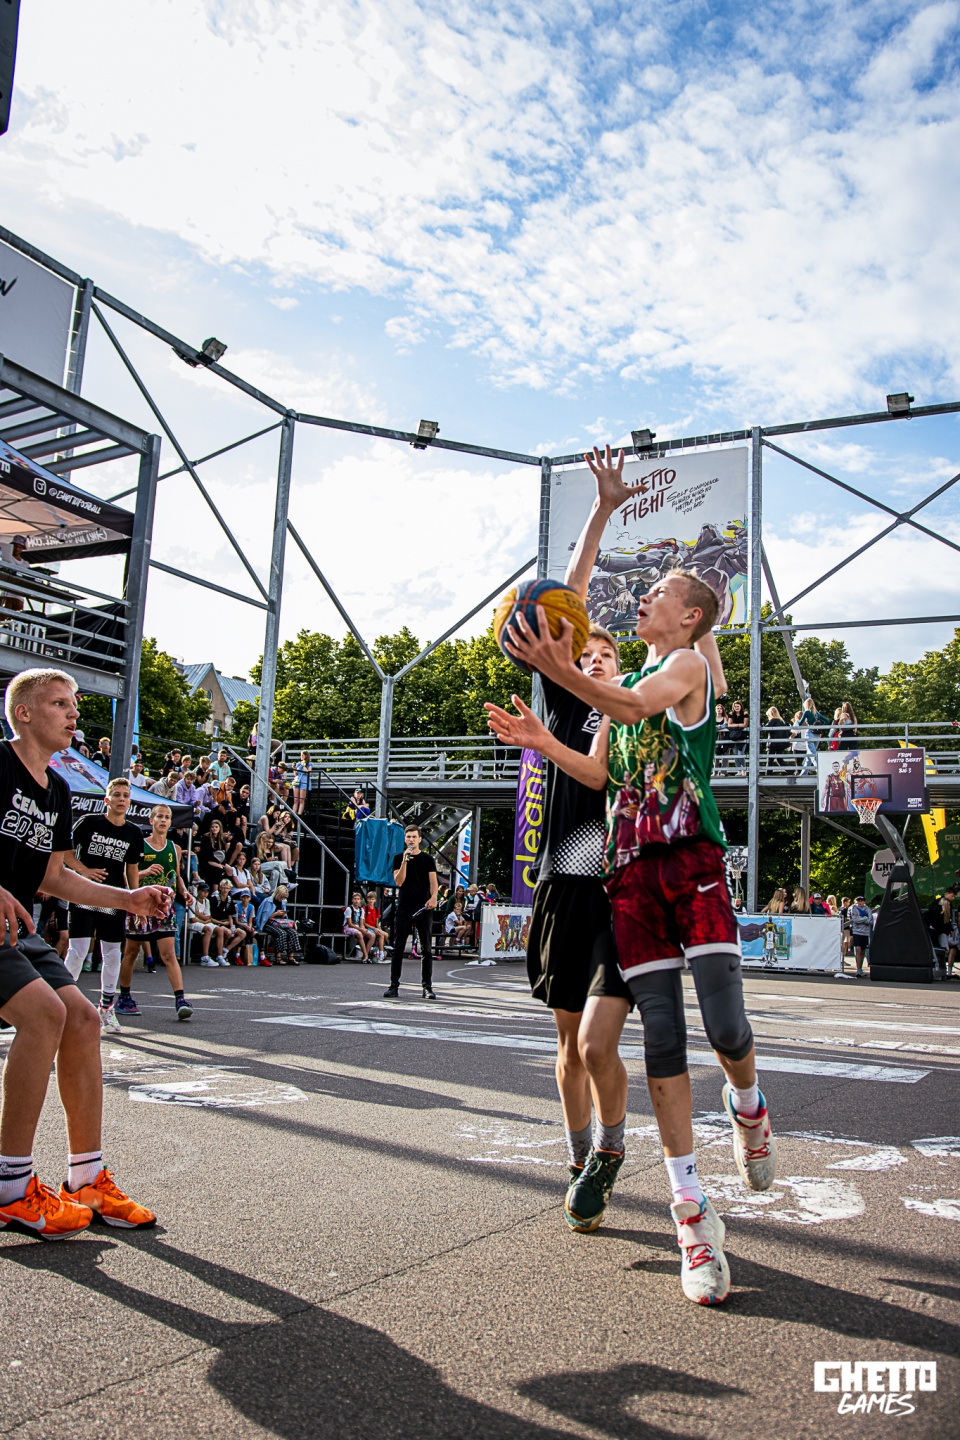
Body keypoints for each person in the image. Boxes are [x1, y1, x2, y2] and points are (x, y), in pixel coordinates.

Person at [494, 446, 777, 1307]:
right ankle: (649, 1190)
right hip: (603, 878)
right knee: (603, 1045)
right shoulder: (586, 699)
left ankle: (741, 1110)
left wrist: (564, 683)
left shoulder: (653, 682)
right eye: (584, 647)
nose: (638, 600)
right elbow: (570, 612)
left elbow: (618, 713)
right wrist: (545, 727)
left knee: (703, 1030)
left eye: (657, 597)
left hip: (665, 868)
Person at [0, 668, 165, 1240]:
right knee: (44, 1014)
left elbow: (53, 876)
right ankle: (10, 1188)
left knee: (84, 1019)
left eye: (74, 703)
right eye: (59, 703)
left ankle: (87, 1179)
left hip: (16, 928)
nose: (73, 713)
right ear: (23, 713)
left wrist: (128, 898)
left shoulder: (58, 790)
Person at [63, 777, 145, 1035]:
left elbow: (132, 868)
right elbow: (64, 851)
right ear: (107, 799)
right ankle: (61, 1004)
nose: (121, 799)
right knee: (78, 951)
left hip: (113, 898)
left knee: (112, 954)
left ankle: (106, 1008)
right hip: (84, 894)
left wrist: (134, 898)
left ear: (129, 802)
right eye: (117, 794)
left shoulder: (133, 832)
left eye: (125, 795)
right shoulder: (89, 823)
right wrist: (83, 870)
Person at [115, 804, 196, 1021]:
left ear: (170, 822)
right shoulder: (140, 845)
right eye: (159, 816)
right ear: (151, 821)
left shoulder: (174, 848)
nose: (163, 820)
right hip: (141, 904)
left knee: (169, 954)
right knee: (131, 952)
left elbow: (176, 875)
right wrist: (145, 872)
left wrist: (184, 891)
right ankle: (124, 997)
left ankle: (180, 999)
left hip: (164, 906)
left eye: (167, 817)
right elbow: (127, 876)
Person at [384, 824, 438, 999]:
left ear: (420, 839)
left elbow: (433, 882)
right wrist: (405, 861)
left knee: (426, 948)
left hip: (423, 906)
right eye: (408, 837)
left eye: (414, 837)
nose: (411, 840)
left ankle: (427, 987)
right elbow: (399, 881)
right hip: (405, 906)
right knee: (398, 947)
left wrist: (434, 897)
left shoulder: (428, 859)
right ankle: (393, 985)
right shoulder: (398, 858)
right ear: (405, 839)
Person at [210, 878, 245, 964]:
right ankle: (219, 954)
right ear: (220, 888)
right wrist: (221, 923)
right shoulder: (215, 899)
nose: (225, 890)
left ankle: (225, 950)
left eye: (227, 888)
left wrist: (232, 926)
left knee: (242, 933)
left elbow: (230, 915)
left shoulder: (229, 900)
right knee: (228, 932)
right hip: (216, 922)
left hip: (226, 922)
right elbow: (210, 917)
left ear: (230, 889)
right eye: (223, 887)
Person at [189, 881, 221, 967]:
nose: (205, 894)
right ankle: (205, 958)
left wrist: (198, 914)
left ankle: (220, 956)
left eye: (206, 892)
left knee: (219, 930)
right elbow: (192, 919)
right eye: (203, 891)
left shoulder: (207, 901)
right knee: (208, 930)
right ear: (198, 891)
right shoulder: (193, 900)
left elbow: (208, 917)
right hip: (192, 923)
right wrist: (204, 921)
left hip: (203, 922)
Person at [344, 891, 374, 962]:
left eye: (358, 899)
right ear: (352, 900)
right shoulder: (349, 909)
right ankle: (366, 955)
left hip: (358, 927)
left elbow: (361, 923)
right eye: (355, 899)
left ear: (360, 900)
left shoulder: (361, 910)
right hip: (348, 927)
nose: (356, 901)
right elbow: (350, 924)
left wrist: (363, 929)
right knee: (359, 934)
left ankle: (365, 955)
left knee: (372, 935)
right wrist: (360, 929)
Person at [849, 894, 872, 976]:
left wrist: (862, 919)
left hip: (865, 932)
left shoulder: (868, 910)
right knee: (858, 949)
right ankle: (858, 969)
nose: (860, 902)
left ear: (864, 902)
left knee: (863, 951)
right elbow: (855, 920)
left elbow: (870, 921)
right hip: (856, 932)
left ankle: (860, 968)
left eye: (862, 901)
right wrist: (864, 918)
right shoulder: (854, 909)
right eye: (858, 901)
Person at [363, 890, 388, 960]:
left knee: (385, 934)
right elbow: (364, 923)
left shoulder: (377, 909)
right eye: (369, 899)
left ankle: (378, 949)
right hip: (367, 927)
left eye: (372, 899)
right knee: (381, 935)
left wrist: (380, 929)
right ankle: (381, 954)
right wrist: (374, 929)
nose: (371, 901)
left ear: (375, 900)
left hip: (374, 927)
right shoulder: (365, 908)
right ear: (367, 899)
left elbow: (376, 923)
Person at [725, 700, 748, 775]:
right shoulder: (731, 714)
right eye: (735, 706)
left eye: (738, 706)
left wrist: (735, 725)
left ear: (741, 707)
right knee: (735, 754)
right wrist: (738, 725)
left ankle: (744, 769)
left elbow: (745, 724)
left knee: (740, 754)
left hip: (742, 736)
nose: (736, 708)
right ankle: (739, 770)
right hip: (733, 736)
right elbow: (729, 724)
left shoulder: (745, 713)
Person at [293, 750, 313, 816]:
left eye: (302, 755)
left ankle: (299, 814)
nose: (301, 756)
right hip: (298, 780)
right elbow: (295, 774)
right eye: (300, 755)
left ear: (306, 756)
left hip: (304, 780)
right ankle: (293, 814)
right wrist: (294, 769)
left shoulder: (309, 764)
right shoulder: (298, 763)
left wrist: (303, 766)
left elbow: (309, 773)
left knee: (301, 800)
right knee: (295, 799)